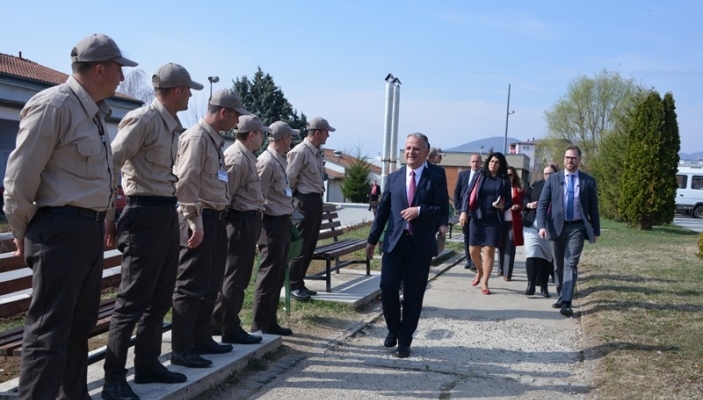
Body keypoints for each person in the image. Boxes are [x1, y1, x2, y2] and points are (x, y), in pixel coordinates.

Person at [3, 34, 136, 400]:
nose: (122, 79)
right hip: (58, 230)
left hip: (86, 231)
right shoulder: (54, 105)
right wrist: (20, 230)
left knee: (79, 327)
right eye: (118, 71)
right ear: (99, 69)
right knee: (49, 331)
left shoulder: (92, 112)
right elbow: (19, 178)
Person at [102, 63, 202, 399]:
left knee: (159, 296)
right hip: (142, 212)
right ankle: (114, 378)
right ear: (177, 91)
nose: (190, 96)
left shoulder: (172, 125)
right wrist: (108, 215)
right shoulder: (144, 119)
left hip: (163, 213)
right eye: (188, 90)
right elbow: (112, 161)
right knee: (132, 300)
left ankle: (146, 362)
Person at [171, 89, 249, 368]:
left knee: (210, 284)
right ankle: (181, 347)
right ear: (224, 112)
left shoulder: (214, 141)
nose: (238, 121)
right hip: (199, 220)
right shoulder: (196, 138)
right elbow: (186, 184)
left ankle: (201, 338)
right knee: (190, 286)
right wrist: (195, 222)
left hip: (216, 219)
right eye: (236, 114)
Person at [365, 133, 448, 358]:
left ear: (425, 152)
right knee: (388, 287)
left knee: (413, 294)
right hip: (394, 243)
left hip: (419, 245)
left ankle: (405, 339)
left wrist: (420, 211)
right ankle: (393, 327)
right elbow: (382, 212)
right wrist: (372, 240)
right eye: (408, 148)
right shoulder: (393, 178)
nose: (411, 152)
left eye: (416, 149)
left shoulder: (436, 177)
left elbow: (442, 209)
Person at [212, 115, 269, 345]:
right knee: (234, 277)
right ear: (252, 134)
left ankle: (218, 321)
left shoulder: (248, 157)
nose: (263, 137)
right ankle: (230, 327)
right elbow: (227, 196)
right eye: (261, 133)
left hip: (248, 220)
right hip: (239, 222)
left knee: (238, 276)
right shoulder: (236, 158)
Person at [537, 146, 600, 317]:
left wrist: (596, 230)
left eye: (573, 158)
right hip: (555, 226)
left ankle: (567, 301)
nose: (569, 161)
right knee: (558, 264)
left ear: (579, 159)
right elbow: (543, 204)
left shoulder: (588, 181)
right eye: (567, 157)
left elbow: (593, 208)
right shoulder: (553, 179)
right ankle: (560, 294)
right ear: (564, 159)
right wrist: (541, 226)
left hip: (577, 227)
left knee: (570, 263)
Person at [251, 121, 299, 336]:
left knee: (278, 274)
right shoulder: (267, 161)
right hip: (271, 224)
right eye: (290, 137)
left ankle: (270, 321)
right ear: (285, 139)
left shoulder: (279, 160)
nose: (292, 141)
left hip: (282, 222)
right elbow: (258, 195)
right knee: (268, 274)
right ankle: (259, 325)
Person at [286, 117, 335, 300]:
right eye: (326, 132)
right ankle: (292, 284)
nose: (328, 135)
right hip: (303, 201)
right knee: (300, 245)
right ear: (317, 132)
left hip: (314, 201)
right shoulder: (300, 151)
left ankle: (299, 282)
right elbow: (289, 178)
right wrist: (293, 205)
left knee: (310, 245)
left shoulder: (315, 152)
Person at [458, 152, 512, 295]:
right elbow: (467, 194)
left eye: (497, 162)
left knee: (489, 251)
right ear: (488, 162)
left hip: (494, 220)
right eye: (492, 161)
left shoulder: (504, 180)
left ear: (501, 165)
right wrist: (464, 211)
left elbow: (509, 201)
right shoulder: (479, 175)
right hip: (477, 218)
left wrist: (502, 206)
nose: (493, 164)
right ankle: (480, 271)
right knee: (473, 251)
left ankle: (485, 282)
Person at [522, 164, 559, 297]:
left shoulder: (560, 186)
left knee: (546, 257)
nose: (548, 176)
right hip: (532, 225)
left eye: (551, 173)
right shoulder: (536, 185)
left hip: (550, 227)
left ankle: (544, 287)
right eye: (546, 174)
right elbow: (524, 198)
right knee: (531, 253)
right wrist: (528, 204)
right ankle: (530, 285)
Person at [454, 154, 482, 271]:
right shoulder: (463, 175)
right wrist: (459, 209)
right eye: (473, 161)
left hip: (477, 212)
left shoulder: (483, 176)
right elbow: (457, 192)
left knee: (474, 236)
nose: (475, 163)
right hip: (464, 212)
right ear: (470, 162)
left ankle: (475, 260)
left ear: (481, 163)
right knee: (467, 236)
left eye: (477, 161)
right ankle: (469, 260)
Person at [497, 166, 525, 281]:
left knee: (510, 246)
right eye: (506, 175)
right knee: (500, 245)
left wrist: (519, 206)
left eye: (510, 175)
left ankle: (507, 274)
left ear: (514, 176)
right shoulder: (499, 187)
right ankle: (501, 269)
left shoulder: (519, 189)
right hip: (500, 221)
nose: (508, 177)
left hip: (513, 222)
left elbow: (525, 203)